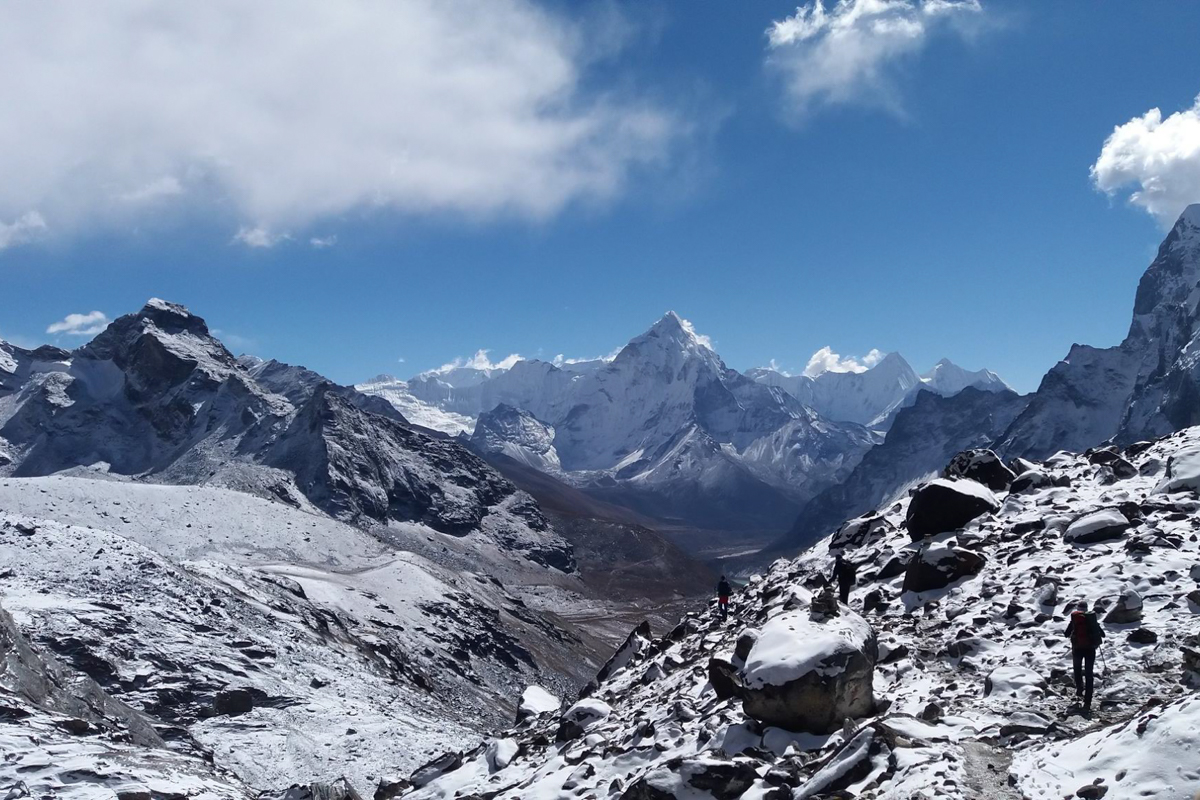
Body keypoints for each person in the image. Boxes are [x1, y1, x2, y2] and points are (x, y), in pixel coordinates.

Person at [1065, 600, 1104, 713]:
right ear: (1087, 608)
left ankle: (1079, 690)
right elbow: (1102, 634)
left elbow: (1066, 634)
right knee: (1089, 673)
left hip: (1077, 649)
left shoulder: (1075, 619)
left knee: (1077, 670)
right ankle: (1088, 701)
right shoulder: (1091, 619)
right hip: (1090, 650)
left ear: (1077, 608)